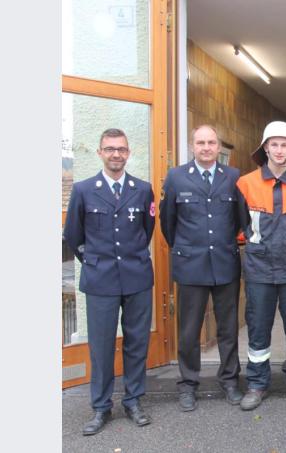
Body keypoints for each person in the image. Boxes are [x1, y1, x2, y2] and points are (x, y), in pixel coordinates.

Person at [63, 128, 155, 435]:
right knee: (101, 347)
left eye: (121, 149)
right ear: (100, 152)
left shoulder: (143, 189)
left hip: (137, 278)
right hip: (100, 280)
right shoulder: (84, 190)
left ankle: (133, 401)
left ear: (128, 154)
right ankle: (101, 407)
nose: (116, 154)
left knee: (137, 343)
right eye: (109, 149)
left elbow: (147, 229)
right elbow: (73, 236)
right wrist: (95, 262)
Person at [158, 125, 245, 412]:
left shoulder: (232, 176)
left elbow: (239, 218)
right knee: (189, 330)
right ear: (192, 147)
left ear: (218, 147)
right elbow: (168, 222)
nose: (206, 147)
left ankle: (230, 380)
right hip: (191, 265)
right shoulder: (176, 177)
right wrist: (186, 247)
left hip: (224, 263)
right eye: (200, 143)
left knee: (228, 328)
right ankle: (188, 384)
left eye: (211, 142)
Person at [236, 121, 286, 410]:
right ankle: (257, 384)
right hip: (259, 267)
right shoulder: (246, 183)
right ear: (265, 148)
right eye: (274, 144)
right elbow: (240, 224)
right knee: (258, 327)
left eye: (285, 145)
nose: (280, 150)